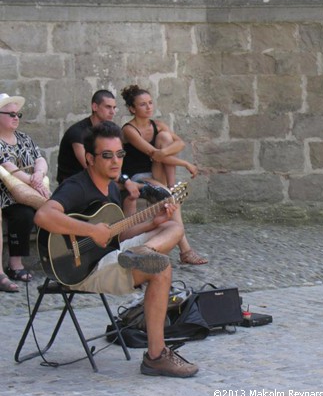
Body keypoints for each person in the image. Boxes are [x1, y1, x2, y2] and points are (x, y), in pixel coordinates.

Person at [34, 121, 199, 378]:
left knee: (174, 229)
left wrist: (151, 222)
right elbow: (43, 216)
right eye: (107, 155)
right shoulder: (77, 186)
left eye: (120, 154)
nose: (116, 161)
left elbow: (115, 235)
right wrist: (89, 230)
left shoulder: (111, 186)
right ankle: (156, 356)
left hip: (112, 254)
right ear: (90, 158)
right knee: (160, 267)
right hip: (84, 268)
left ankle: (145, 250)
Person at [120, 84, 207, 265]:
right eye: (143, 104)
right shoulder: (129, 129)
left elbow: (179, 143)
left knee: (166, 138)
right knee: (169, 197)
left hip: (156, 171)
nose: (149, 107)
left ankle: (171, 187)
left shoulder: (158, 125)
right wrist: (185, 163)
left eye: (150, 103)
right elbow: (153, 153)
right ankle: (186, 250)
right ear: (132, 109)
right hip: (136, 177)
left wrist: (163, 153)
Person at [56, 90, 168, 209]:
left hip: (101, 177)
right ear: (95, 107)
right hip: (77, 184)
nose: (112, 112)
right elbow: (91, 165)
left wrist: (125, 180)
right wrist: (127, 182)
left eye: (114, 108)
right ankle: (145, 188)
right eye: (108, 107)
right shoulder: (78, 133)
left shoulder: (108, 131)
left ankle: (150, 193)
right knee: (119, 182)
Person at [0, 93, 51, 291]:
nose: (16, 118)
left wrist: (38, 174)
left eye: (18, 114)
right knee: (23, 214)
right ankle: (15, 265)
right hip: (6, 194)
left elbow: (40, 158)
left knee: (37, 212)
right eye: (11, 114)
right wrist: (32, 181)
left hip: (30, 190)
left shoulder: (23, 138)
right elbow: (7, 166)